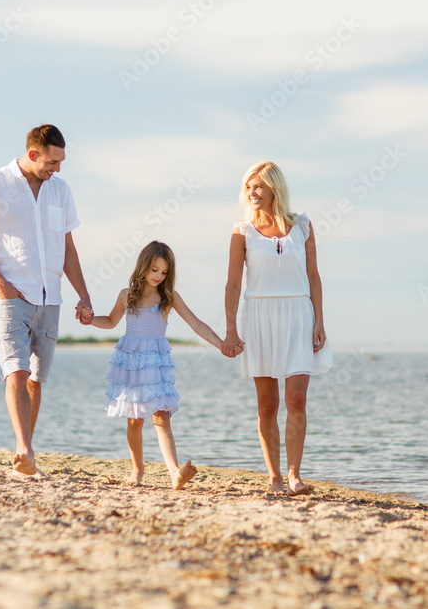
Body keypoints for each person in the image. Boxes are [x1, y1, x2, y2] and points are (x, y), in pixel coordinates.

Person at [0, 124, 93, 478]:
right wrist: (0, 285)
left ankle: (27, 450)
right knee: (16, 372)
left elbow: (68, 249)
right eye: (52, 161)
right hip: (11, 295)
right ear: (33, 153)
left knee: (36, 378)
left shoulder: (61, 191)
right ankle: (24, 448)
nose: (57, 169)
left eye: (61, 162)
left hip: (50, 297)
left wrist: (83, 294)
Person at [221, 162, 332, 496]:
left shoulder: (303, 227)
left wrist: (320, 320)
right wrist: (230, 329)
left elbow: (314, 276)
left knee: (296, 398)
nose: (253, 193)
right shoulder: (242, 232)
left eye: (259, 187)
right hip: (259, 316)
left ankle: (295, 474)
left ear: (274, 189)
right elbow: (232, 284)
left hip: (299, 313)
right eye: (248, 188)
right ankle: (274, 478)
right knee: (267, 405)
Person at [85, 241, 229, 490]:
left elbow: (197, 325)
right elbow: (109, 321)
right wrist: (89, 320)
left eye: (164, 272)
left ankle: (174, 473)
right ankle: (137, 471)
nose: (158, 276)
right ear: (143, 266)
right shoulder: (126, 295)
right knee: (135, 421)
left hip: (155, 364)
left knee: (161, 417)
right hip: (131, 362)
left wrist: (222, 344)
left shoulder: (168, 297)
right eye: (154, 270)